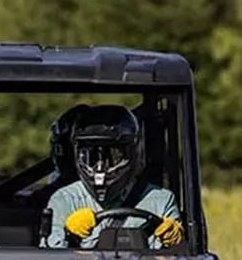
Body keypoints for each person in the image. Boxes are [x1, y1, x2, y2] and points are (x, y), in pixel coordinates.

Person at [42, 104, 184, 249]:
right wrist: (68, 235)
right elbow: (49, 256)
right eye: (90, 157)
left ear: (132, 153)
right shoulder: (64, 200)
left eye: (113, 157)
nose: (100, 168)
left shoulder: (160, 200)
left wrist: (176, 243)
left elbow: (179, 258)